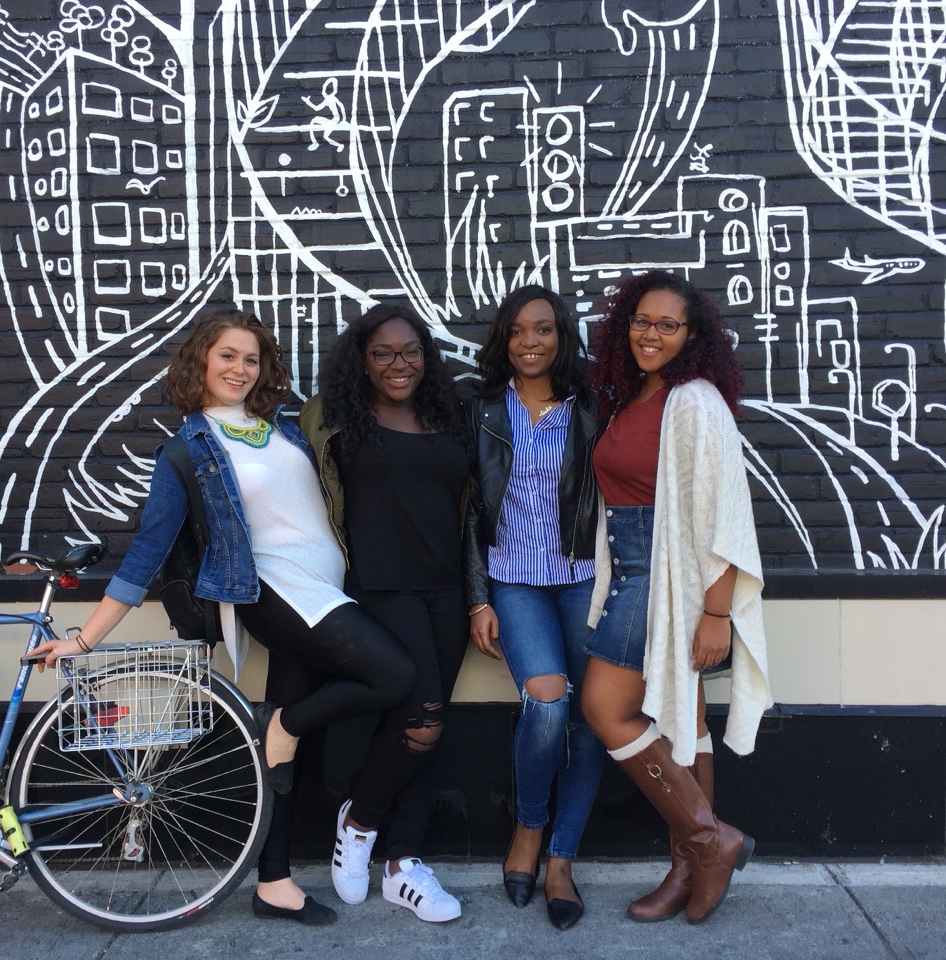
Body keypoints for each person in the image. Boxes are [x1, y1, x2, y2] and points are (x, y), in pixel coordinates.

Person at [29, 308, 415, 927]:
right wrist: (84, 637)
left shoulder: (282, 429)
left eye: (251, 359)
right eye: (227, 356)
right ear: (201, 363)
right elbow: (150, 550)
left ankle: (275, 884)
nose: (240, 368)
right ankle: (289, 721)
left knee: (284, 752)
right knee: (393, 676)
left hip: (325, 584)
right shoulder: (188, 449)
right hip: (275, 590)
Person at [580, 269, 771, 924]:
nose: (650, 333)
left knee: (606, 707)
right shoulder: (635, 396)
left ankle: (707, 839)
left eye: (667, 324)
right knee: (680, 720)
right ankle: (690, 866)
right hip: (637, 565)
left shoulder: (694, 401)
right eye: (641, 320)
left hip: (666, 577)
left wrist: (716, 611)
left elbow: (726, 515)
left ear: (693, 336)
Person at [299, 303, 470, 923]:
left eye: (410, 351)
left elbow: (471, 509)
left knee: (431, 722)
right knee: (419, 720)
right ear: (361, 361)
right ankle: (361, 819)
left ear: (426, 355)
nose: (399, 364)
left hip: (446, 588)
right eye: (383, 353)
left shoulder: (450, 415)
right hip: (380, 586)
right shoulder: (331, 419)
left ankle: (405, 866)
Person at [465, 285, 607, 931]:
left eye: (544, 330)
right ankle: (528, 829)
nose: (530, 342)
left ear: (562, 336)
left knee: (593, 718)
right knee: (547, 700)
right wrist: (476, 597)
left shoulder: (590, 407)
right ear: (504, 337)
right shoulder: (483, 408)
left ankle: (561, 860)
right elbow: (467, 511)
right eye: (518, 330)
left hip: (583, 577)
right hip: (514, 580)